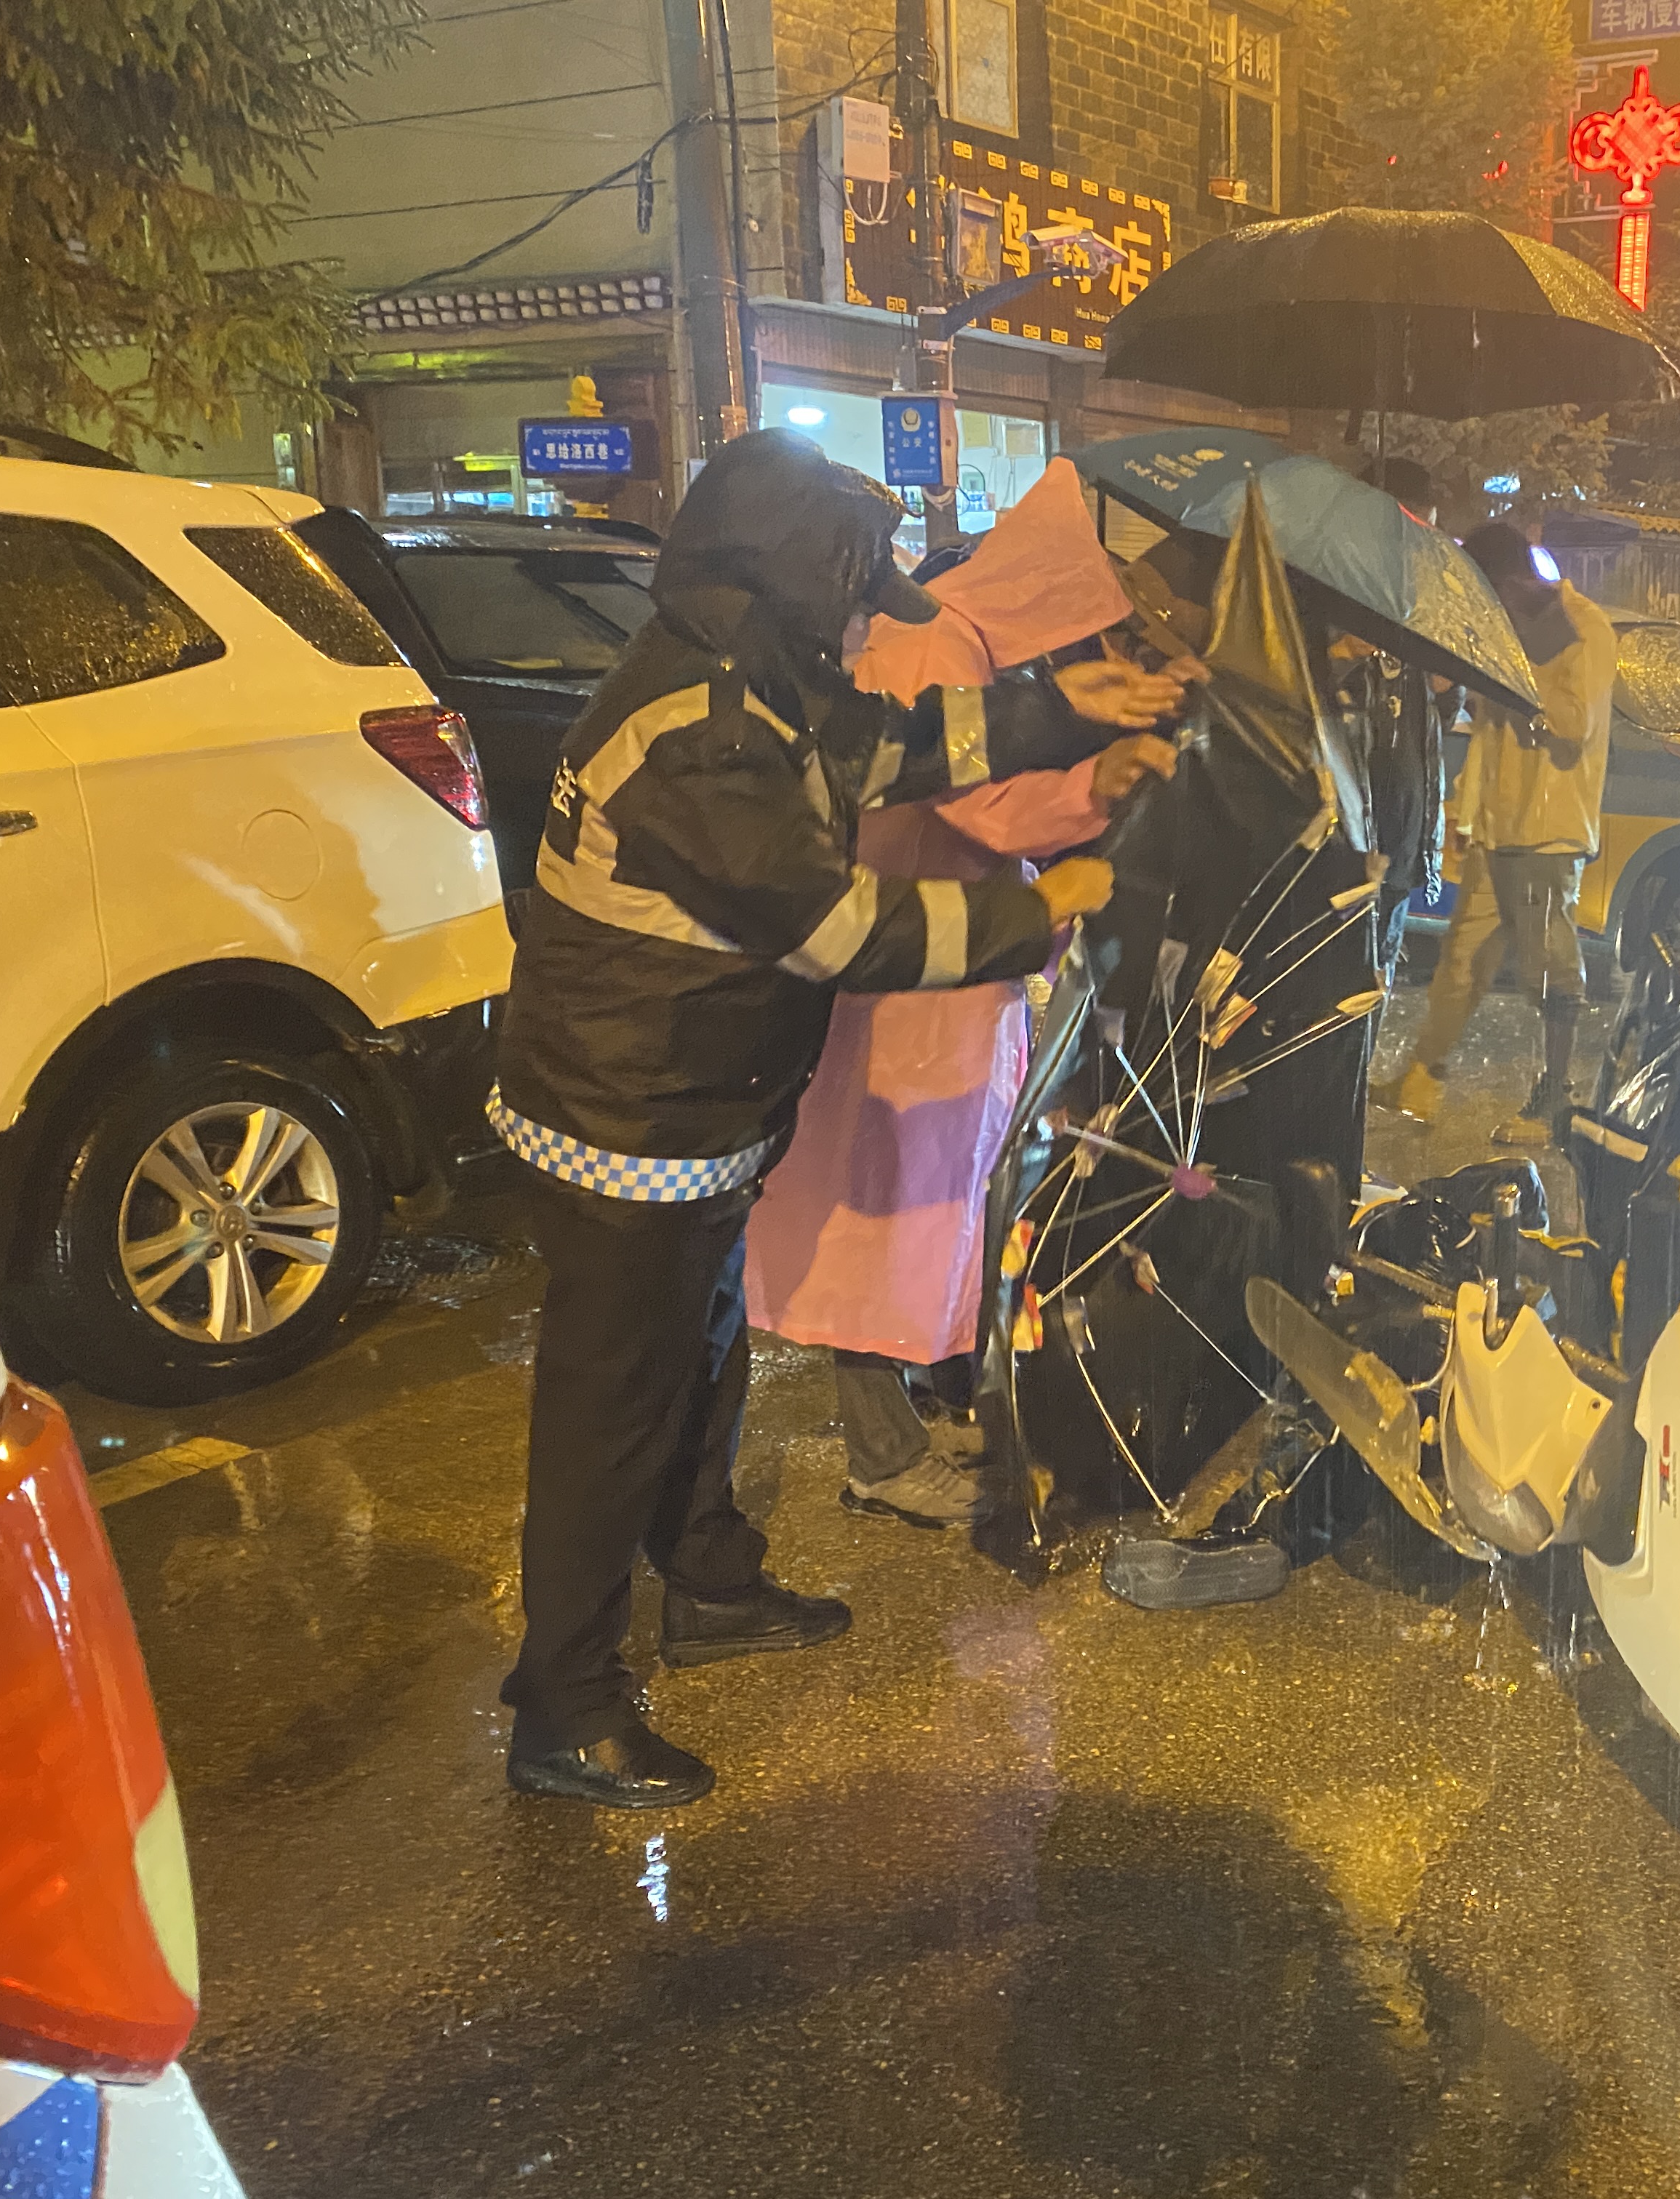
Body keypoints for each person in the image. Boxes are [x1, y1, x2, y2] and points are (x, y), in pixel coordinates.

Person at [492, 433, 1181, 1809]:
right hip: (626, 1118)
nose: (869, 631)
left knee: (700, 1363)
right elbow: (838, 927)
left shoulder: (748, 681)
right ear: (790, 589)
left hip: (693, 1106)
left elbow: (896, 745)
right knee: (610, 1409)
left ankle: (708, 1579)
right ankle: (564, 1702)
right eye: (858, 603)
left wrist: (1063, 704)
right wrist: (1039, 912)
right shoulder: (702, 733)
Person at [742, 461, 1177, 1528]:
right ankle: (882, 1455)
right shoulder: (940, 644)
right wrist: (1098, 786)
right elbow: (984, 809)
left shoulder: (947, 637)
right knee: (890, 1211)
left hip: (925, 958)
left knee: (913, 1204)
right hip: (916, 967)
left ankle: (904, 1414)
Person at [1382, 524, 1617, 1145]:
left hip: (1549, 835)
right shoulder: (1509, 632)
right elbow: (1487, 732)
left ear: (1510, 583)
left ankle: (1555, 1098)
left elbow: (1575, 727)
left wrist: (1514, 674)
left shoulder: (1585, 628)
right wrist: (1467, 812)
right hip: (1497, 829)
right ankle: (1421, 1080)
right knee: (1461, 963)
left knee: (1549, 973)